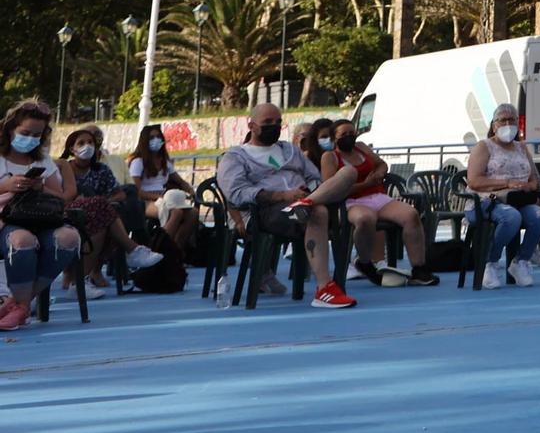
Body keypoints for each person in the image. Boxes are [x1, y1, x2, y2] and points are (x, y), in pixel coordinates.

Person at [216, 103, 359, 309]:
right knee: (317, 212)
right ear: (252, 125)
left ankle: (306, 202)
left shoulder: (290, 150)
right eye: (267, 122)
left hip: (302, 202)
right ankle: (325, 288)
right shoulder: (235, 157)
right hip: (265, 213)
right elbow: (236, 194)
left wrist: (308, 191)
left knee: (348, 173)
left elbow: (314, 177)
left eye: (277, 122)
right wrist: (282, 195)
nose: (273, 126)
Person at [322, 117, 435, 285]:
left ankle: (419, 269)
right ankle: (365, 262)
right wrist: (364, 184)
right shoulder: (330, 157)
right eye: (344, 134)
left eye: (352, 133)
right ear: (334, 138)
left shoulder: (361, 148)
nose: (349, 137)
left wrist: (379, 173)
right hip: (350, 201)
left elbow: (381, 164)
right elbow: (331, 187)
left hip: (377, 197)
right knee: (365, 219)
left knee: (411, 214)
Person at [0, 100, 81, 329]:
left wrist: (39, 187)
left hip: (40, 218)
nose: (31, 138)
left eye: (37, 134)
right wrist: (7, 187)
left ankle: (18, 305)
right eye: (25, 133)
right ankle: (22, 306)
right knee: (22, 240)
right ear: (10, 128)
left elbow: (61, 198)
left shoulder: (42, 159)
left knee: (69, 238)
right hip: (7, 220)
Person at [60, 126, 163, 296]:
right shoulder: (65, 169)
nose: (88, 146)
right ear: (72, 149)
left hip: (98, 216)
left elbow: (120, 193)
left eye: (91, 142)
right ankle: (133, 249)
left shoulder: (101, 169)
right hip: (71, 215)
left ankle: (81, 282)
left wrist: (103, 202)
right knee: (107, 214)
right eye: (82, 143)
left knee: (110, 212)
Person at [465, 102, 540, 291]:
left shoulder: (521, 148)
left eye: (511, 119)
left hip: (518, 200)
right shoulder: (484, 147)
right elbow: (474, 181)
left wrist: (531, 186)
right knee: (511, 217)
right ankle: (490, 262)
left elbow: (535, 176)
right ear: (494, 125)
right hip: (486, 202)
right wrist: (507, 183)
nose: (507, 123)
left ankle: (520, 261)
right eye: (502, 120)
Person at [127, 122, 198, 255]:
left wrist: (189, 189)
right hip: (145, 201)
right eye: (152, 138)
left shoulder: (164, 161)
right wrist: (159, 197)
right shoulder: (138, 162)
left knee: (193, 213)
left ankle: (176, 250)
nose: (156, 140)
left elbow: (180, 181)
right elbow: (136, 190)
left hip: (167, 197)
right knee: (176, 212)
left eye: (158, 137)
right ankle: (159, 250)